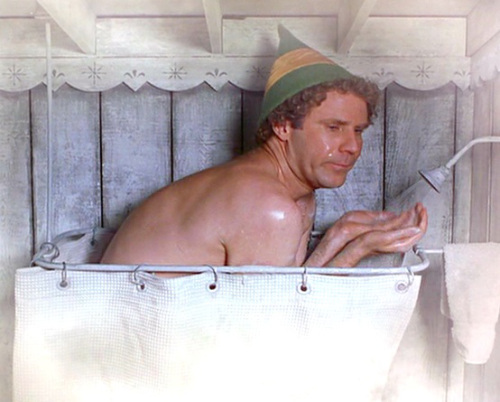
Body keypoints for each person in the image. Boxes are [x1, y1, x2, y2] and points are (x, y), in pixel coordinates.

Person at [100, 25, 427, 273]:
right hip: (124, 337)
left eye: (358, 130)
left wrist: (343, 233)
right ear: (282, 126)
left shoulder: (294, 197)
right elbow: (274, 330)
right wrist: (360, 249)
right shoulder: (268, 206)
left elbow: (290, 290)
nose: (353, 146)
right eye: (333, 127)